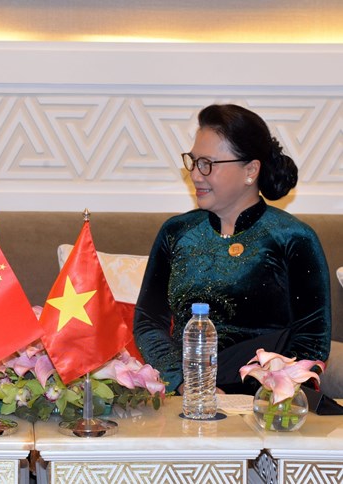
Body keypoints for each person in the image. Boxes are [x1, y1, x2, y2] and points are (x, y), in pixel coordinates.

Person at [133, 104, 331, 395]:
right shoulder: (176, 232)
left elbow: (312, 336)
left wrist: (261, 390)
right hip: (185, 393)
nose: (196, 175)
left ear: (250, 170)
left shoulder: (292, 237)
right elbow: (149, 322)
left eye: (208, 164)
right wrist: (186, 383)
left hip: (264, 401)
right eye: (194, 161)